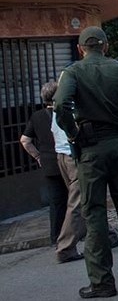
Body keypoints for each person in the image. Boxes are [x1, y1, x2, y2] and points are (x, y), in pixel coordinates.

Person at [55, 26, 118, 298]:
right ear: (106, 47)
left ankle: (102, 282)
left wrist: (73, 134)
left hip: (90, 148)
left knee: (94, 213)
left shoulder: (73, 72)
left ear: (80, 49)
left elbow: (61, 104)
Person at [19, 82, 68, 253]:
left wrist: (38, 156)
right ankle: (77, 233)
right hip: (67, 160)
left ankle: (56, 238)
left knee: (56, 202)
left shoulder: (37, 116)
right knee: (76, 199)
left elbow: (25, 140)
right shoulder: (64, 113)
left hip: (48, 163)